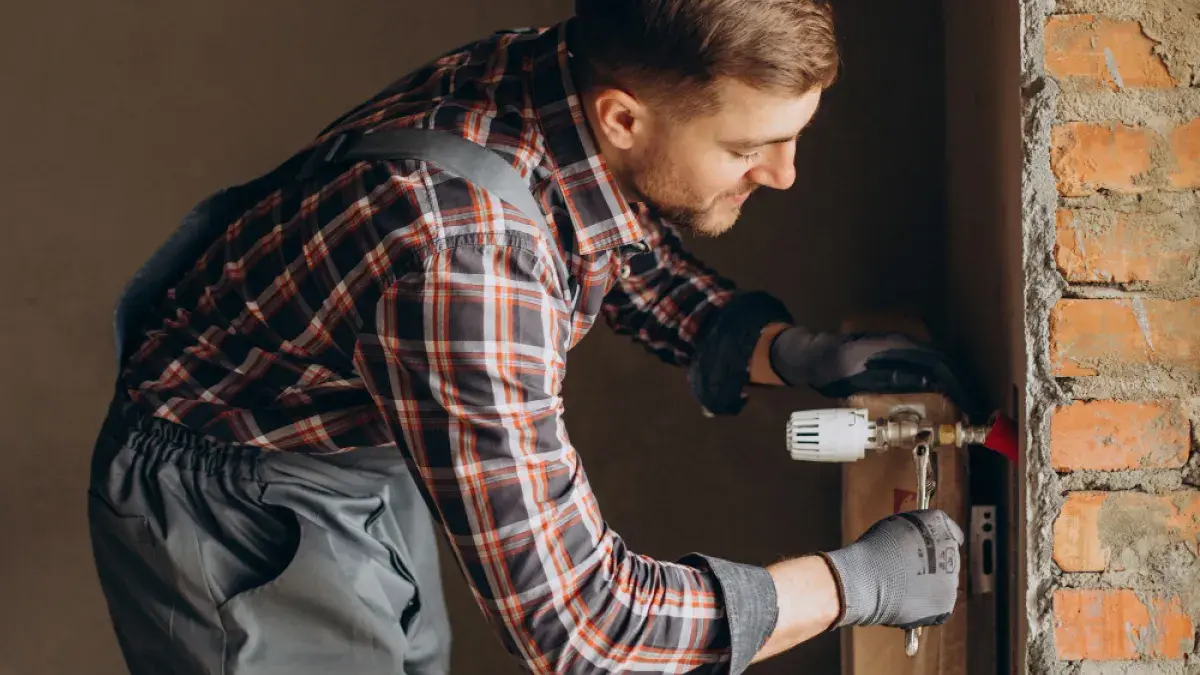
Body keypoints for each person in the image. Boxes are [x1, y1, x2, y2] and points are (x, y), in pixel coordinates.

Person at [88, 2, 966, 673]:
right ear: (624, 116)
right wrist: (854, 584)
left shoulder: (555, 75)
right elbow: (582, 629)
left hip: (354, 448)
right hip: (229, 505)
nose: (783, 174)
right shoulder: (461, 263)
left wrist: (772, 346)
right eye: (749, 149)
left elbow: (596, 224)